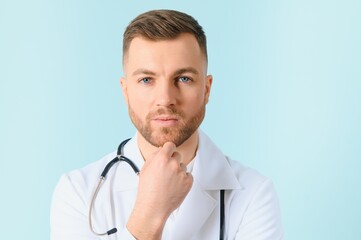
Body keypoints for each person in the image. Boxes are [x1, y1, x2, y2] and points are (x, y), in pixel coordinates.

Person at [50, 9, 284, 240]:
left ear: (206, 89)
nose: (165, 99)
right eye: (146, 80)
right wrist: (149, 214)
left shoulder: (254, 193)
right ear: (126, 91)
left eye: (183, 79)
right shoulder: (78, 193)